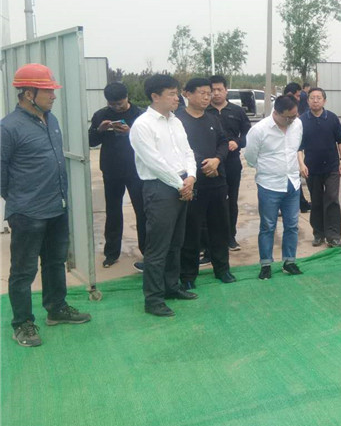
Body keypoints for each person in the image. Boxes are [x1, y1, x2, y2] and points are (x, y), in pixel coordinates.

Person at [1, 63, 92, 347]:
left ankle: (56, 308)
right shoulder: (8, 128)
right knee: (23, 271)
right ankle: (22, 323)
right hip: (28, 213)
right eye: (48, 91)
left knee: (55, 262)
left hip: (57, 206)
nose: (53, 96)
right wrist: (20, 200)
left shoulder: (51, 120)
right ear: (29, 93)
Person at [129, 74, 198, 317]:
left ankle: (171, 287)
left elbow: (188, 151)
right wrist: (181, 184)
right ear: (155, 96)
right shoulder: (143, 125)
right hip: (160, 189)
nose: (177, 98)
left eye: (176, 93)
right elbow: (154, 162)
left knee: (176, 243)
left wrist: (191, 176)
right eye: (171, 94)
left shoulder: (175, 121)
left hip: (182, 184)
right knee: (157, 247)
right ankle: (154, 298)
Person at [175, 78, 236, 288]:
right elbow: (180, 150)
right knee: (191, 230)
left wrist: (217, 160)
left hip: (217, 181)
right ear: (188, 94)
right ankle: (188, 275)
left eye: (208, 93)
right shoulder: (178, 121)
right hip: (193, 184)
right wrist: (205, 165)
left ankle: (222, 269)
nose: (207, 97)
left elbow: (223, 142)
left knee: (220, 227)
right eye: (202, 93)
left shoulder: (212, 118)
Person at [244, 94, 304, 280]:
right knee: (268, 226)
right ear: (276, 113)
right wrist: (268, 169)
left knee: (292, 225)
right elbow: (250, 157)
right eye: (289, 117)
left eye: (295, 115)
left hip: (292, 183)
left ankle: (289, 261)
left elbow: (295, 149)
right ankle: (266, 264)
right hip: (269, 185)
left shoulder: (297, 125)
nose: (292, 120)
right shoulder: (259, 130)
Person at [88, 82, 146, 268]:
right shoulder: (101, 115)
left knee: (142, 211)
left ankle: (147, 251)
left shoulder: (140, 115)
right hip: (111, 169)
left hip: (136, 170)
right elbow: (90, 141)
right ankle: (111, 253)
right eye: (112, 104)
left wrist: (131, 132)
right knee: (112, 212)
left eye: (119, 103)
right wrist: (99, 130)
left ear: (127, 97)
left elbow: (148, 142)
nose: (116, 107)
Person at [299, 87, 341, 248]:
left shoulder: (332, 118)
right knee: (316, 201)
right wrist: (301, 164)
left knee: (332, 199)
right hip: (312, 168)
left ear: (324, 100)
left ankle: (333, 235)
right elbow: (298, 146)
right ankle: (318, 234)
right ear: (308, 101)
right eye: (312, 98)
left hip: (332, 167)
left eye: (319, 98)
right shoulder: (302, 121)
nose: (315, 101)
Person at [208, 74, 251, 252]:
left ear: (226, 90)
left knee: (231, 201)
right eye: (213, 90)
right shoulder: (205, 112)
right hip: (210, 164)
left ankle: (230, 237)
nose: (216, 93)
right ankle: (209, 242)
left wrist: (238, 142)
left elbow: (248, 135)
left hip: (232, 162)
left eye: (220, 89)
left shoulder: (237, 111)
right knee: (211, 202)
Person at [284, 82, 311, 212]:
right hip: (282, 162)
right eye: (298, 96)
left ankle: (302, 203)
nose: (299, 99)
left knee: (294, 181)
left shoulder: (296, 118)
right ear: (290, 94)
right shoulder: (279, 115)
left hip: (293, 158)